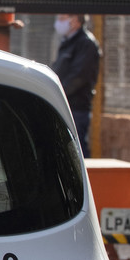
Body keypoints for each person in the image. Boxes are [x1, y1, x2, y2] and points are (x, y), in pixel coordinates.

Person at [50, 13, 101, 158]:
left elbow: (79, 77)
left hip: (76, 107)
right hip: (63, 104)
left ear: (75, 21)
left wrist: (58, 93)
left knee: (77, 150)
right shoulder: (67, 42)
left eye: (62, 19)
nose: (58, 23)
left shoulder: (86, 43)